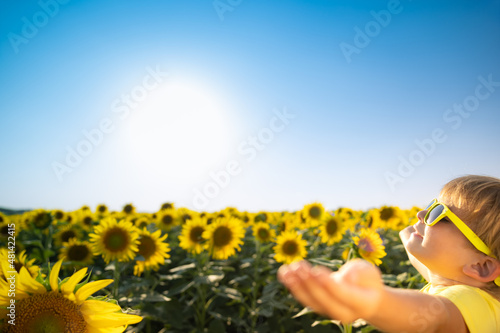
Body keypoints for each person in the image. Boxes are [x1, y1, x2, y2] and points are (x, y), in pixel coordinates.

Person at [278, 175, 500, 333]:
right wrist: (411, 237)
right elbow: (416, 254)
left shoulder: (471, 301)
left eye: (440, 214)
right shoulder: (456, 278)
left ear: (482, 267)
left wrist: (375, 302)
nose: (421, 213)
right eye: (432, 204)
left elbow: (432, 315)